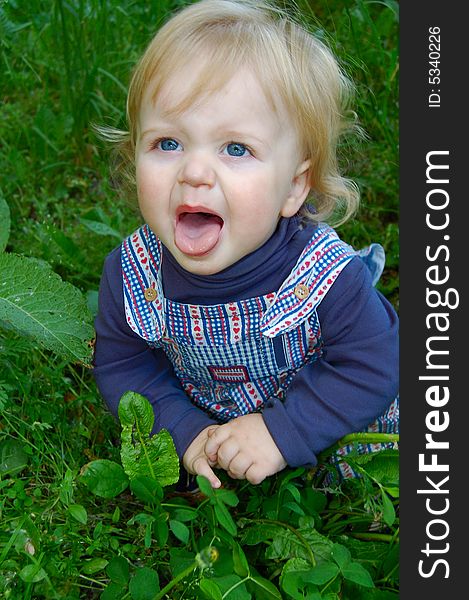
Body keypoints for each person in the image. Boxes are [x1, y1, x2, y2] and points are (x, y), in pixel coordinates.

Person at [93, 0, 399, 489]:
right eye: (167, 143)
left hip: (330, 428)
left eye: (236, 149)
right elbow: (124, 365)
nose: (193, 173)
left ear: (294, 188)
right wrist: (182, 430)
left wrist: (283, 430)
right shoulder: (134, 276)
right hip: (217, 433)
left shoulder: (325, 279)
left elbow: (374, 363)